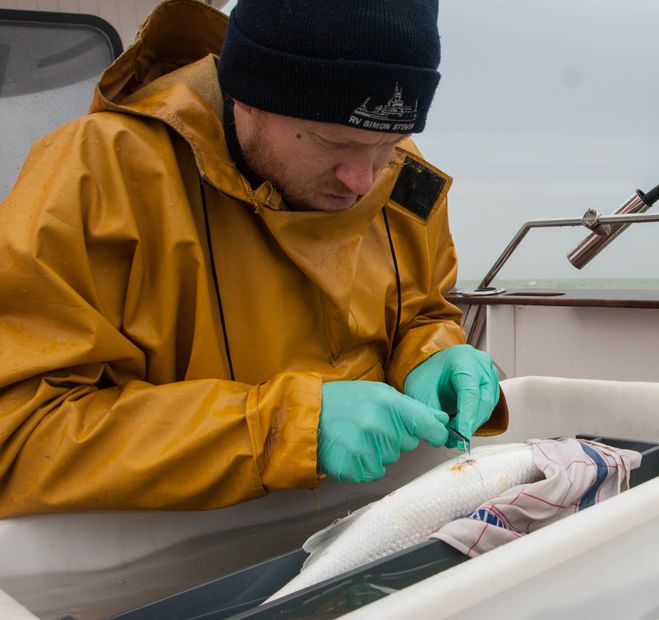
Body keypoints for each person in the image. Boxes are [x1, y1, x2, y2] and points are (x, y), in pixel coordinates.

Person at [0, 0, 506, 517]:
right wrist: (282, 430)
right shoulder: (95, 174)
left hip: (369, 517)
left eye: (390, 142)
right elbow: (19, 434)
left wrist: (431, 354)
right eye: (335, 142)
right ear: (250, 96)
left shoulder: (403, 179)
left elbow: (421, 312)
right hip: (171, 558)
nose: (363, 180)